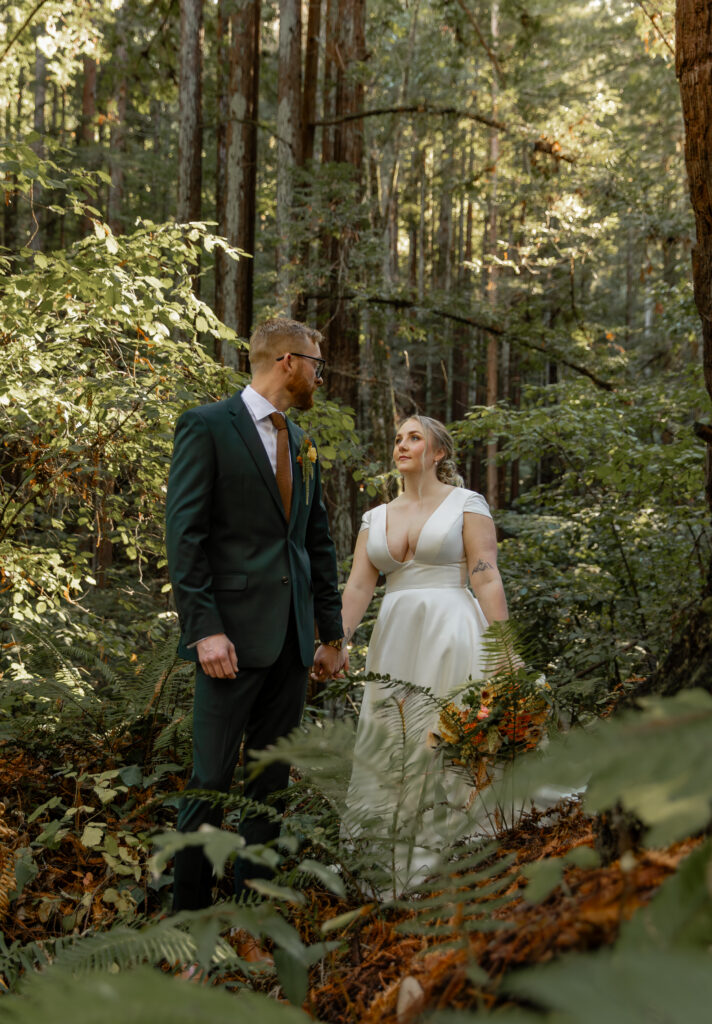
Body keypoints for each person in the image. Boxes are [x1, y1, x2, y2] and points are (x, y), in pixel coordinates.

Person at [166, 317, 345, 912]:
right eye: (316, 364)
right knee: (211, 779)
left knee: (271, 781)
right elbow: (185, 537)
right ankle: (187, 914)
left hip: (291, 642)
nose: (320, 376)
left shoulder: (302, 442)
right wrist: (205, 630)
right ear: (288, 362)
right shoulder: (208, 426)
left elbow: (316, 543)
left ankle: (250, 915)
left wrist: (331, 634)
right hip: (230, 642)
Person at [337, 415, 511, 893]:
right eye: (398, 438)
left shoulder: (466, 504)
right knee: (392, 737)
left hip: (453, 631)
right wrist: (339, 641)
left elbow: (485, 574)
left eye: (415, 438)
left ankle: (458, 844)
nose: (402, 445)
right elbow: (358, 587)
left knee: (445, 731)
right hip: (395, 638)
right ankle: (387, 849)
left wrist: (504, 645)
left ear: (438, 453)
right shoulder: (375, 517)